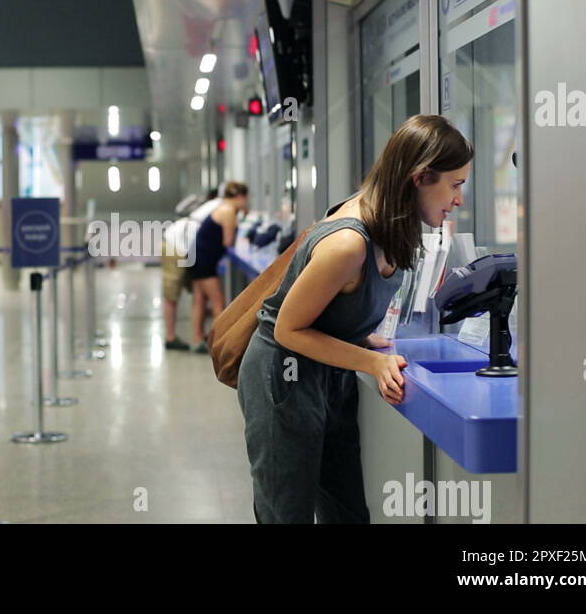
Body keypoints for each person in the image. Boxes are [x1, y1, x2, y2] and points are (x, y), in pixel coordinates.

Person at [237, 114, 471, 524]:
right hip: (284, 377)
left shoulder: (391, 226)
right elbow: (287, 328)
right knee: (285, 512)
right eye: (455, 184)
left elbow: (329, 308)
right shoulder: (349, 243)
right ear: (420, 177)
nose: (460, 199)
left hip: (329, 374)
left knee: (346, 511)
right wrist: (373, 362)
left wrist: (359, 338)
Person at [187, 181, 249, 353]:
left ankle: (198, 339)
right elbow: (228, 242)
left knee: (199, 300)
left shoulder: (222, 207)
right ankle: (221, 344)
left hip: (195, 256)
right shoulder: (228, 211)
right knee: (218, 301)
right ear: (240, 197)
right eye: (246, 199)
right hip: (204, 259)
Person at [162, 189, 221, 350]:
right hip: (178, 245)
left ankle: (198, 336)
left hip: (186, 244)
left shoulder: (212, 205)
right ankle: (171, 337)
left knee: (199, 293)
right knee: (172, 293)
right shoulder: (222, 205)